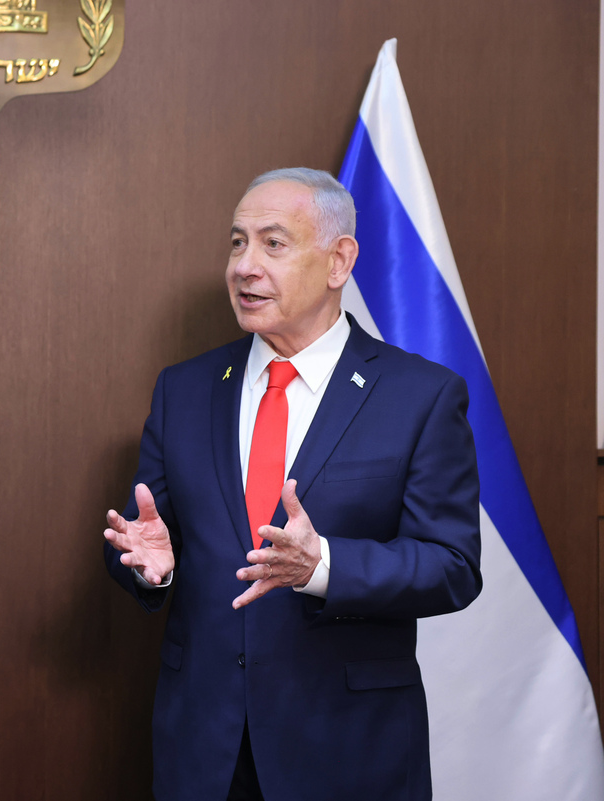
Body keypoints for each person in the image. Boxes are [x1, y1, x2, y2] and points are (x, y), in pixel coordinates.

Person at [103, 168, 481, 801]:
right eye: (235, 243)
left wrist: (322, 566)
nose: (244, 267)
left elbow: (451, 566)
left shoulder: (421, 397)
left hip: (346, 749)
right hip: (204, 748)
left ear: (339, 261)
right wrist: (152, 569)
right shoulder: (184, 390)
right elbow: (143, 536)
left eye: (272, 244)